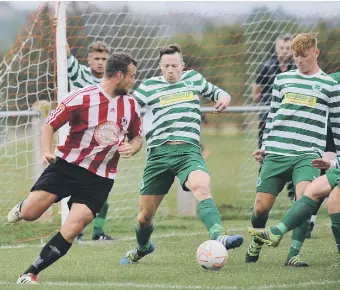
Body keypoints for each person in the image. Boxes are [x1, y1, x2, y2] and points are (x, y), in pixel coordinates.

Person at [7, 52, 142, 284]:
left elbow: (137, 136)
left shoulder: (130, 105)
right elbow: (50, 124)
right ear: (119, 75)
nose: (133, 81)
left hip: (100, 179)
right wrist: (47, 151)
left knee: (74, 226)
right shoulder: (81, 97)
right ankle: (23, 208)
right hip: (68, 167)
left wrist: (133, 147)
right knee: (30, 214)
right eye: (131, 76)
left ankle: (30, 272)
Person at [119, 44, 244, 265]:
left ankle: (219, 236)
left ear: (182, 66)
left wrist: (225, 98)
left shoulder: (194, 79)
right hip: (158, 155)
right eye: (166, 66)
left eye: (174, 66)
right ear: (160, 66)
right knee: (144, 218)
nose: (170, 70)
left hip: (188, 151)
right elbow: (126, 110)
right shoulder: (149, 87)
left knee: (202, 186)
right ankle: (142, 248)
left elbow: (219, 92)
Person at [245, 33, 340, 267]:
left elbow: (337, 125)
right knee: (261, 207)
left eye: (304, 56)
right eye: (295, 56)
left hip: (307, 154)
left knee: (303, 199)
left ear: (316, 53)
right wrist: (265, 146)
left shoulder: (330, 85)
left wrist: (335, 158)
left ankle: (293, 254)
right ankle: (257, 241)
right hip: (277, 151)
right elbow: (273, 115)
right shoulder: (282, 80)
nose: (298, 60)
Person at [248, 145, 340, 268]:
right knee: (319, 194)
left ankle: (280, 237)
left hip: (311, 155)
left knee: (319, 197)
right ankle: (275, 233)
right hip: (279, 153)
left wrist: (333, 162)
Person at [66, 38, 116, 241]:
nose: (100, 62)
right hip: (79, 143)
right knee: (76, 188)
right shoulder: (79, 74)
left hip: (103, 144)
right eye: (96, 58)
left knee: (103, 189)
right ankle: (75, 232)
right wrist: (57, 26)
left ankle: (98, 233)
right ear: (88, 59)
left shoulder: (112, 81)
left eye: (104, 58)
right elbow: (66, 54)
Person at [252, 34, 297, 202]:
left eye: (287, 48)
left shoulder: (297, 67)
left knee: (294, 155)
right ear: (276, 49)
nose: (284, 52)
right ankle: (262, 194)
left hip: (291, 119)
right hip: (268, 119)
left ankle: (295, 196)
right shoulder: (265, 66)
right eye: (281, 48)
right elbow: (256, 91)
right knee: (264, 156)